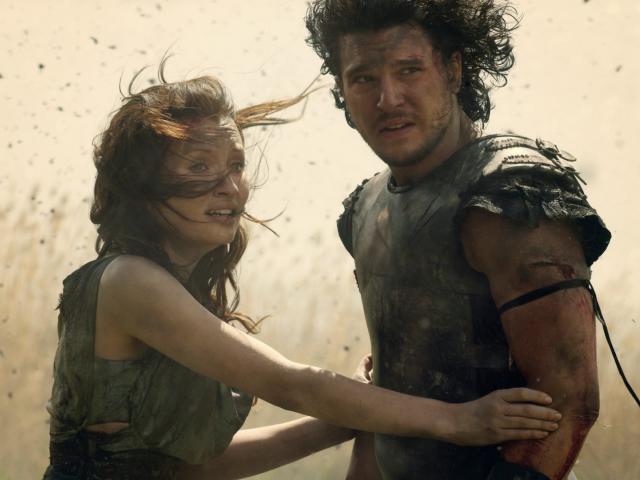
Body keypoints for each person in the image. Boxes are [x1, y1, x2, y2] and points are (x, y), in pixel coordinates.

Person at [43, 66, 562, 480]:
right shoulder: (130, 282)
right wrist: (457, 420)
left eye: (235, 165)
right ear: (140, 183)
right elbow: (288, 383)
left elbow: (188, 471)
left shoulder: (164, 290)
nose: (230, 187)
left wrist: (346, 421)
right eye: (199, 166)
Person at [305, 1, 611, 479]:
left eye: (409, 70)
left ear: (453, 69)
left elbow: (568, 403)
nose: (388, 99)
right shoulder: (366, 208)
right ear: (342, 90)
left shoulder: (510, 196)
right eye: (363, 78)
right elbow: (388, 395)